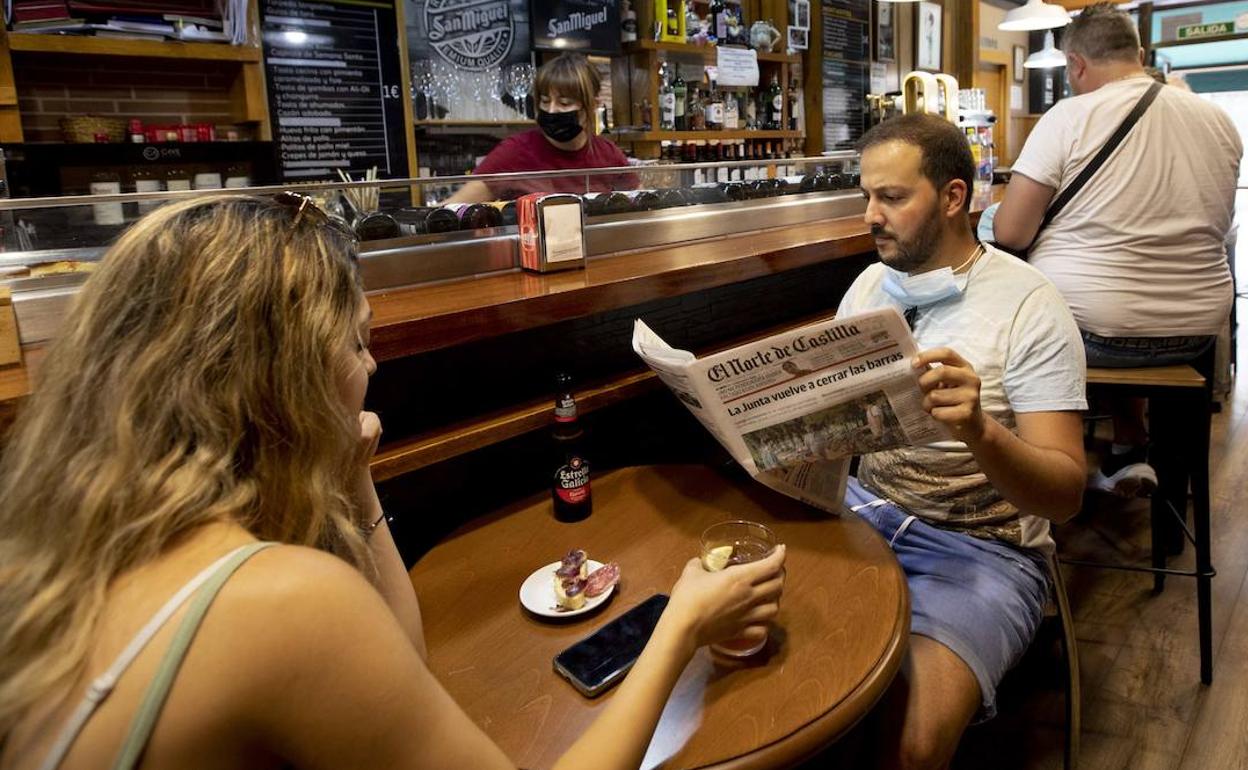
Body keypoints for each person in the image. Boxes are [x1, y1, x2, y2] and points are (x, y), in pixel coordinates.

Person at [0, 194, 786, 770]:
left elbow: (398, 663)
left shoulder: (59, 547)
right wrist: (680, 628)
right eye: (355, 342)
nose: (372, 367)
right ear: (285, 378)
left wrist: (354, 482)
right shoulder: (279, 603)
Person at [841, 113, 1087, 769]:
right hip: (865, 512)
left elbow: (1064, 495)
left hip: (982, 547)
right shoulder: (868, 285)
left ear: (954, 197)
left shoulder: (1031, 305)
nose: (870, 215)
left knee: (913, 745)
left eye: (891, 197)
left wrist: (978, 430)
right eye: (865, 195)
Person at [992, 2, 1241, 498]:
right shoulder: (1219, 120)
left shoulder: (1070, 115)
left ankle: (1022, 482)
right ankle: (1131, 447)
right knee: (1106, 304)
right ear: (1140, 54)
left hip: (1096, 334)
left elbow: (1012, 233)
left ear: (1076, 65)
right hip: (1196, 334)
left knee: (1023, 323)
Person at [446, 54, 639, 203]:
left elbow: (640, 205)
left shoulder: (609, 155)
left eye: (564, 103)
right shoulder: (516, 151)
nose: (551, 111)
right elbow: (455, 208)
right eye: (545, 101)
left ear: (593, 105)